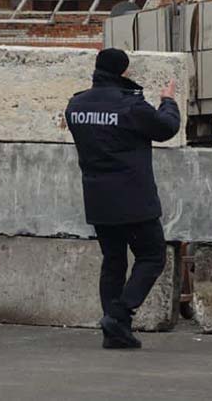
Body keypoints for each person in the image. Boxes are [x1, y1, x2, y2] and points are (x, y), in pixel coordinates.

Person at [65, 48, 181, 350]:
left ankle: (114, 332)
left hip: (97, 198)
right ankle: (118, 315)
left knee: (113, 261)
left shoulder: (75, 105)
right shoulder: (131, 106)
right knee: (152, 255)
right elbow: (166, 129)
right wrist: (168, 101)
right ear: (123, 72)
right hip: (133, 197)